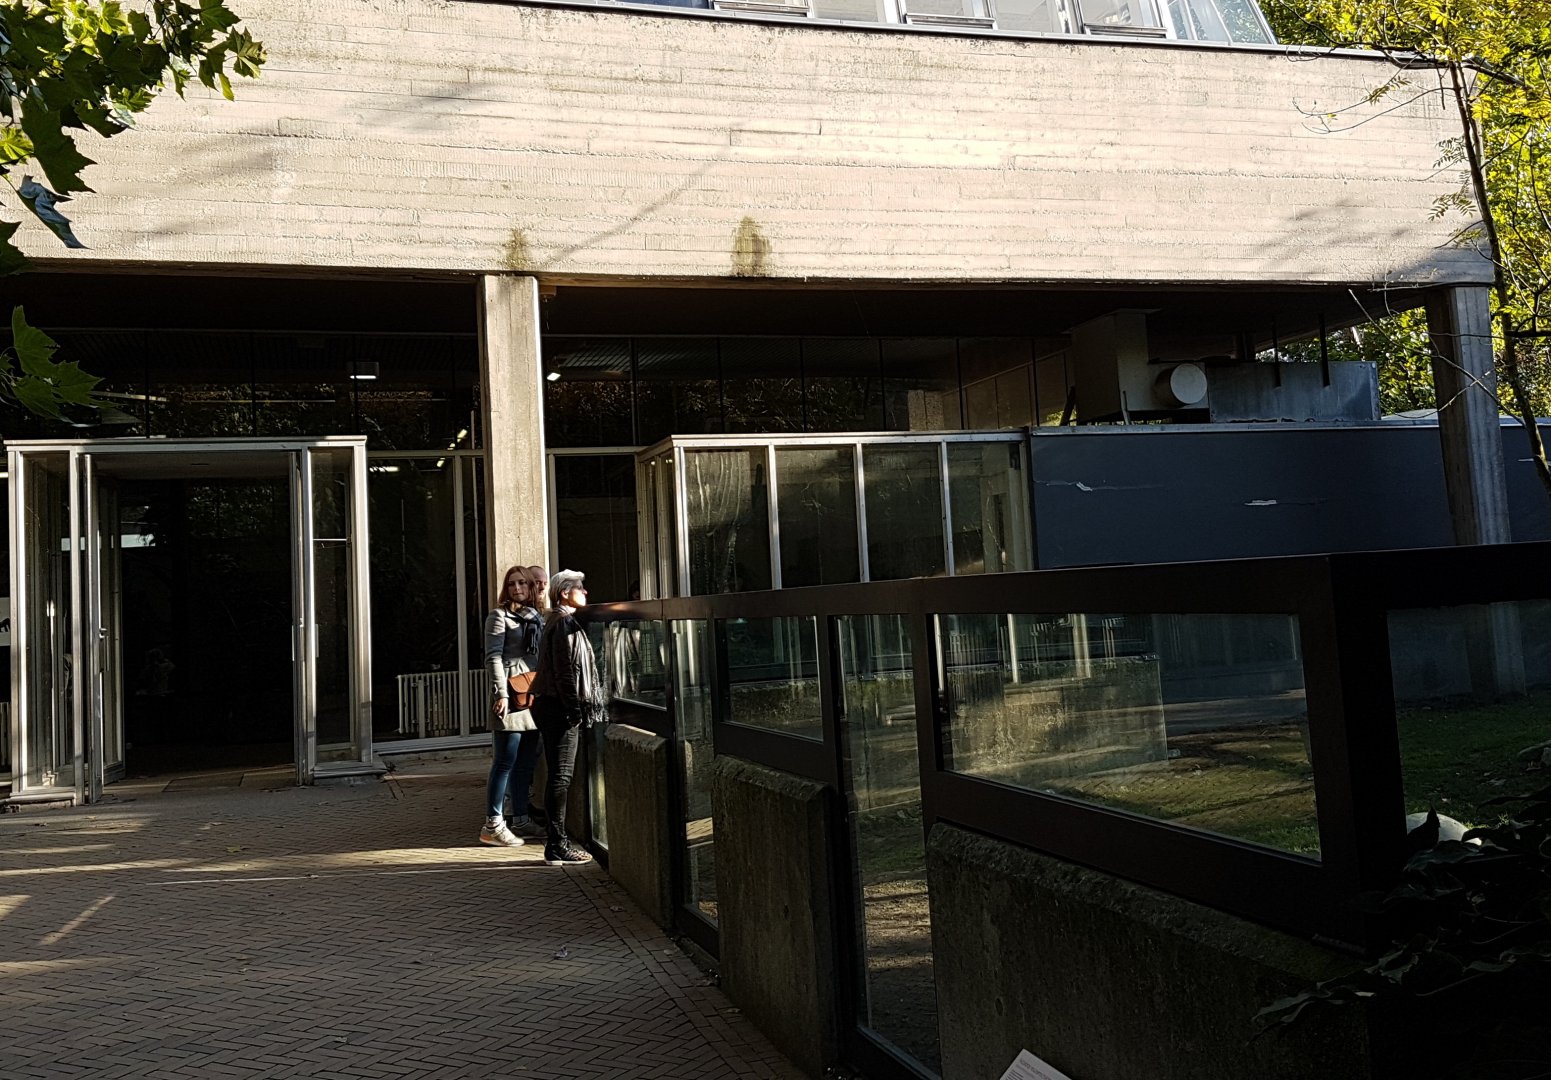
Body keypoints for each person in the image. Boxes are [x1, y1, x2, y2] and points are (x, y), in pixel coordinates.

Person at [530, 568, 604, 866]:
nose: (585, 592)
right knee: (561, 777)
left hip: (551, 705)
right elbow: (564, 671)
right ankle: (557, 844)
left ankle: (556, 842)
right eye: (579, 587)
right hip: (557, 707)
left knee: (559, 776)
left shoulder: (559, 620)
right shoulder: (562, 623)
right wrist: (575, 710)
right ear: (564, 592)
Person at [479, 566, 545, 848]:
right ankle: (493, 825)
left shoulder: (537, 617)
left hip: (533, 694)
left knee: (526, 762)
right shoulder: (499, 616)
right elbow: (493, 657)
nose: (517, 588)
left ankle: (520, 818)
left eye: (522, 583)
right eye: (511, 584)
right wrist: (500, 694)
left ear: (531, 587)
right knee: (505, 760)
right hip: (511, 695)